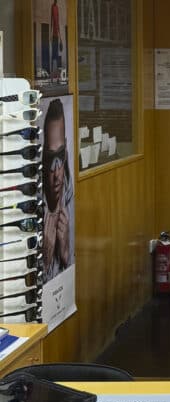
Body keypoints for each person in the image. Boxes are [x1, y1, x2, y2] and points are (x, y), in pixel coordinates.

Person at [42, 98, 74, 282]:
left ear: (66, 154)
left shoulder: (70, 199)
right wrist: (45, 262)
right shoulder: (35, 207)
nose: (56, 172)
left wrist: (65, 254)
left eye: (60, 156)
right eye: (50, 158)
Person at [50, 0, 62, 79]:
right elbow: (53, 20)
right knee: (54, 56)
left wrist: (60, 38)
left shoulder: (55, 8)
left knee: (55, 55)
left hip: (56, 35)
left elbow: (56, 21)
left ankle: (55, 73)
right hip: (55, 35)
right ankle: (54, 72)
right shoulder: (54, 7)